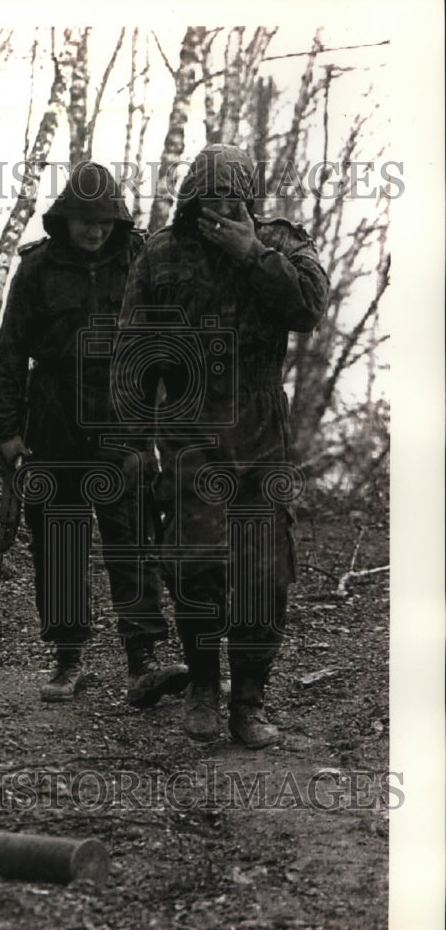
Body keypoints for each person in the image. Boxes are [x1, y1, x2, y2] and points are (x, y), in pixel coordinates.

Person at [112, 144, 329, 747]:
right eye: (211, 199)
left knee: (268, 573)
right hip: (190, 432)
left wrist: (252, 254)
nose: (222, 210)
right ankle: (205, 687)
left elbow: (309, 309)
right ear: (191, 197)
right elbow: (134, 355)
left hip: (261, 434)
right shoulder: (161, 253)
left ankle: (249, 703)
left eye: (234, 200)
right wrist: (134, 442)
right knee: (196, 564)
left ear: (252, 200)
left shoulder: (283, 246)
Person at [0, 161, 188, 706]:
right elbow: (9, 354)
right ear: (65, 219)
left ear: (118, 221)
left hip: (123, 418)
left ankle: (143, 659)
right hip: (53, 417)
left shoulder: (141, 262)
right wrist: (5, 430)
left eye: (104, 222)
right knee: (59, 540)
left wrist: (164, 428)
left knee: (133, 539)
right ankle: (67, 658)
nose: (95, 232)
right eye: (85, 222)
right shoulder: (36, 271)